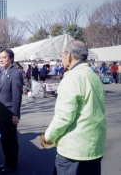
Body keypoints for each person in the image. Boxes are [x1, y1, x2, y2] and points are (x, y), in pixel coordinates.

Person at [44, 40, 107, 175]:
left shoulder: (72, 78)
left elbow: (64, 116)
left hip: (74, 150)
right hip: (95, 146)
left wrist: (49, 136)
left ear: (69, 55)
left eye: (62, 54)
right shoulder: (93, 76)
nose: (61, 58)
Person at [0, 49, 23, 174]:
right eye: (0, 57)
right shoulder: (3, 72)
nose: (1, 60)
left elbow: (17, 96)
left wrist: (15, 114)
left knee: (11, 141)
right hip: (2, 112)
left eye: (4, 57)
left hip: (9, 113)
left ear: (11, 59)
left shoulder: (15, 73)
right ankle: (7, 162)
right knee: (4, 140)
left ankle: (12, 165)